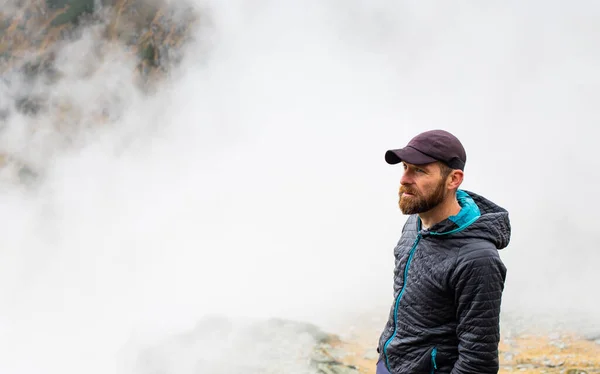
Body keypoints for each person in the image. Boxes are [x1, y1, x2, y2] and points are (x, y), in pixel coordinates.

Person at [376, 129, 510, 374]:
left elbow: (478, 362)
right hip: (390, 365)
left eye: (419, 170)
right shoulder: (414, 223)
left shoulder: (478, 258)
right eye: (405, 167)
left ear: (453, 180)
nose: (404, 179)